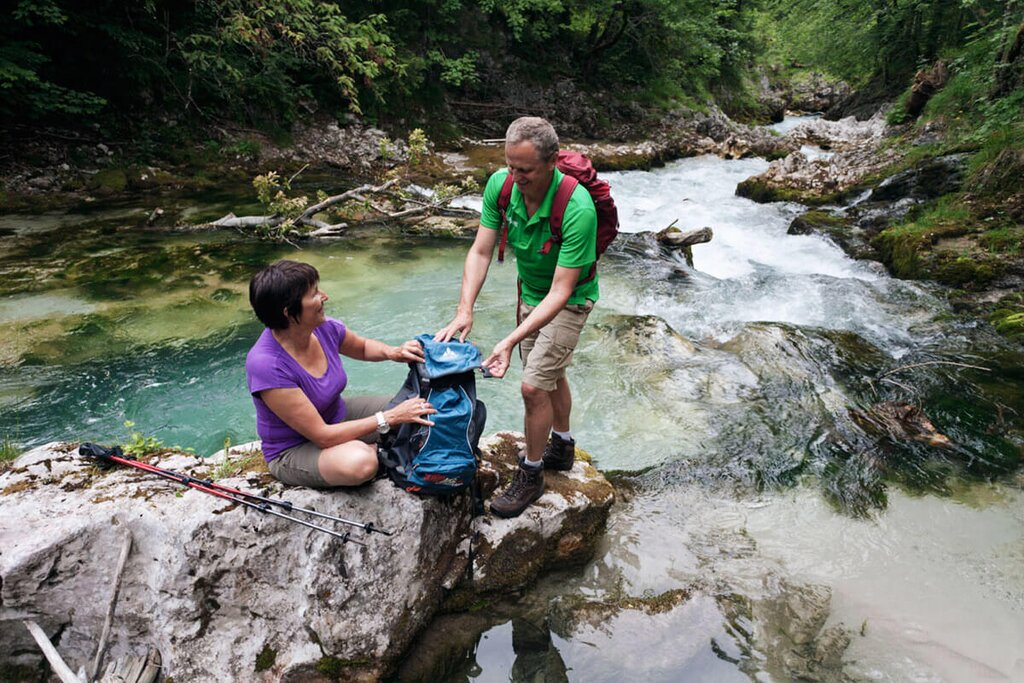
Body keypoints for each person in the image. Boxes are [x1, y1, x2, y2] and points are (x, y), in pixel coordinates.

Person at [436, 116, 598, 518]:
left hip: (570, 298)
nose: (516, 176)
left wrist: (507, 340)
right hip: (530, 291)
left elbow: (562, 291)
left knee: (532, 387)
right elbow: (480, 251)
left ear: (552, 162)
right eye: (511, 166)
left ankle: (531, 472)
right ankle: (562, 444)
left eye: (525, 170)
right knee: (549, 373)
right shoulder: (501, 186)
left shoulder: (577, 208)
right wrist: (465, 309)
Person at [246, 260, 436, 488]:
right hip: (295, 448)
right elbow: (322, 436)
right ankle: (382, 451)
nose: (324, 297)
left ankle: (384, 448)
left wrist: (394, 352)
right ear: (288, 312)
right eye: (314, 294)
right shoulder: (267, 365)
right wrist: (390, 418)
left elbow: (362, 347)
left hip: (337, 415)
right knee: (361, 462)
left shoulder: (322, 327)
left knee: (422, 408)